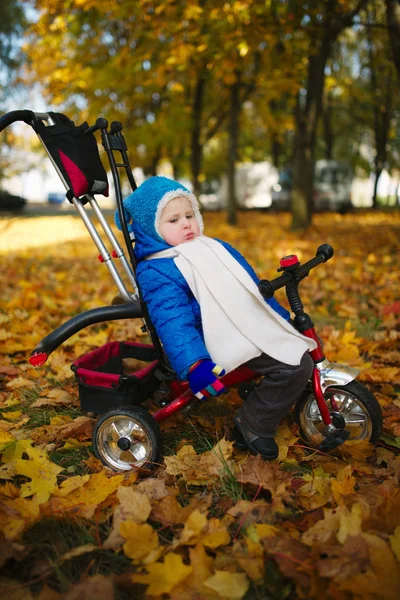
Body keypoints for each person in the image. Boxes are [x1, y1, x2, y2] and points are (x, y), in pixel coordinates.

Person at [115, 176, 315, 460]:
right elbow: (174, 322)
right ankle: (254, 421)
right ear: (151, 230)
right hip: (203, 345)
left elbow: (253, 292)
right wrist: (195, 363)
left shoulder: (213, 248)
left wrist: (281, 321)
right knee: (295, 365)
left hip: (239, 327)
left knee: (296, 352)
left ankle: (270, 398)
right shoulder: (157, 271)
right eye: (173, 221)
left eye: (189, 215)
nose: (186, 224)